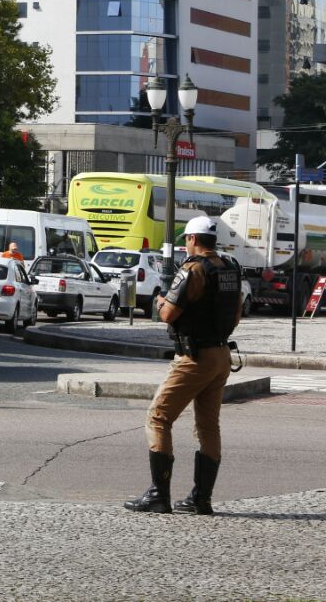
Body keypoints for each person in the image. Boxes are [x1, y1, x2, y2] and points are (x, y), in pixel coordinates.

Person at [124, 216, 242, 515]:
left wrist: (162, 302)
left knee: (158, 417)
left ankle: (158, 495)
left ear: (192, 239)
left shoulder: (193, 270)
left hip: (194, 357)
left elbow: (168, 315)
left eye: (186, 239)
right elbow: (236, 313)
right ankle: (201, 499)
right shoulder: (230, 268)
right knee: (208, 426)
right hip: (221, 355)